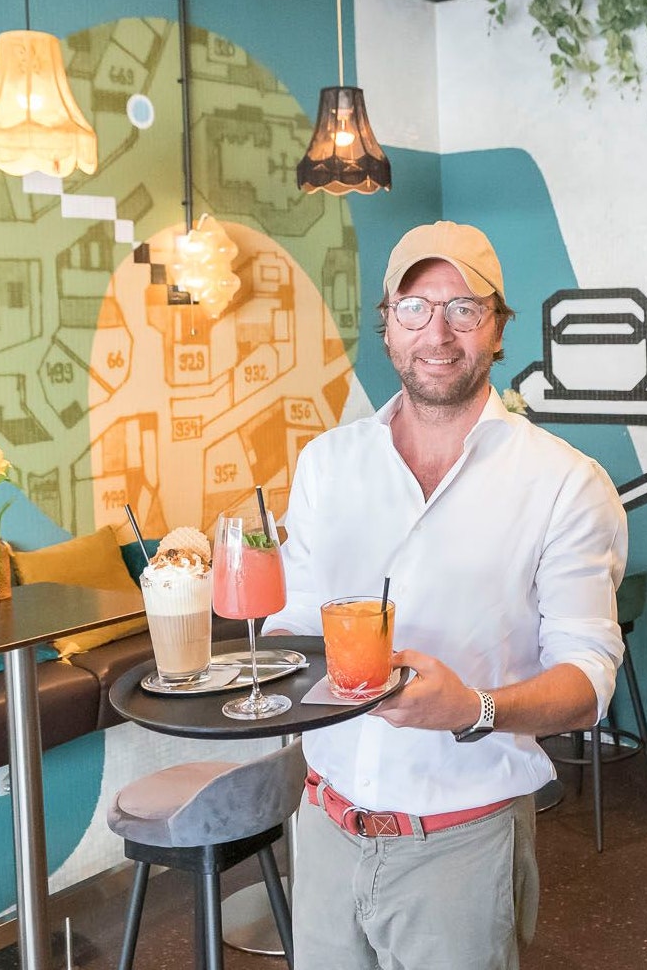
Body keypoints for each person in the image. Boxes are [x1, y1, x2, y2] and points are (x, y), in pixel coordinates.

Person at [265, 221, 628, 969]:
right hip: (324, 827)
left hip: (462, 842)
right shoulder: (326, 464)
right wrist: (252, 666)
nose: (438, 332)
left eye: (464, 307)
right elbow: (293, 624)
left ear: (497, 328)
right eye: (415, 308)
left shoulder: (564, 482)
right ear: (387, 326)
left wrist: (473, 707)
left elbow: (589, 679)